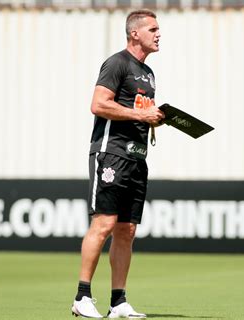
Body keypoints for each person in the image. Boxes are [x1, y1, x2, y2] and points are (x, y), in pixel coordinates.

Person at [71, 9, 165, 319]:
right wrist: (141, 115)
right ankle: (82, 296)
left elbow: (138, 112)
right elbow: (98, 104)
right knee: (104, 223)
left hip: (137, 158)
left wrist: (155, 120)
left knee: (127, 230)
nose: (158, 34)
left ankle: (118, 302)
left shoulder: (148, 74)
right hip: (110, 153)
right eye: (152, 29)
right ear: (135, 33)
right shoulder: (117, 63)